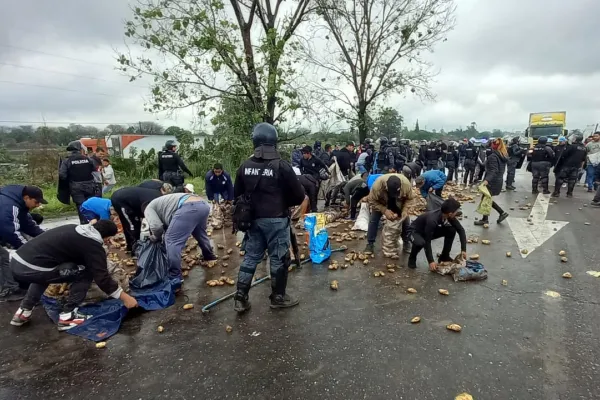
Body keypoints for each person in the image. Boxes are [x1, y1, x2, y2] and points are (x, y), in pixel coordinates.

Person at [9, 220, 138, 329]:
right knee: (85, 273)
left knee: (43, 276)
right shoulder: (93, 245)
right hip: (32, 267)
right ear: (107, 237)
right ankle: (67, 316)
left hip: (18, 263)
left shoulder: (75, 229)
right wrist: (125, 298)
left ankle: (23, 312)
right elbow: (102, 278)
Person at [233, 123, 305, 312]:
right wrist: (281, 200)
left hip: (252, 220)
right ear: (274, 141)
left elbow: (237, 194)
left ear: (255, 141)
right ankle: (278, 297)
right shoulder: (282, 166)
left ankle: (240, 298)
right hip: (276, 219)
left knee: (251, 257)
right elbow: (299, 196)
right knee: (278, 258)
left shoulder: (244, 166)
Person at [144, 193, 216, 282]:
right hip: (203, 205)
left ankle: (175, 276)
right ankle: (209, 256)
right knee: (200, 233)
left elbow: (157, 227)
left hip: (189, 207)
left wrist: (155, 237)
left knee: (171, 240)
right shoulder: (161, 204)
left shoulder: (148, 209)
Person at [0, 185, 46, 302]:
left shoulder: (19, 205)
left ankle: (9, 286)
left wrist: (48, 238)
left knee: (3, 256)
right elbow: (10, 231)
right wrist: (28, 249)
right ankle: (8, 290)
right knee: (2, 257)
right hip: (5, 229)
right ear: (26, 198)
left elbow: (28, 225)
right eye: (36, 202)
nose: (38, 205)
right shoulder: (9, 205)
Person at [407, 198, 467, 270]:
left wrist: (463, 249)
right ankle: (412, 258)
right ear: (450, 213)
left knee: (451, 230)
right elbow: (427, 241)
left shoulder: (448, 215)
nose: (457, 213)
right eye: (456, 212)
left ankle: (444, 256)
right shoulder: (432, 220)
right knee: (421, 242)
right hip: (414, 231)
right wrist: (431, 261)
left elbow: (461, 230)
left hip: (427, 230)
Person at [111, 184, 172, 252]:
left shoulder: (159, 196)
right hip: (121, 199)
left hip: (132, 201)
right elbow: (147, 210)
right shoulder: (156, 199)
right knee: (132, 225)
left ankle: (133, 246)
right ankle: (135, 249)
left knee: (135, 224)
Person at [364, 174, 415, 254]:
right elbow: (372, 200)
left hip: (398, 202)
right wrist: (384, 210)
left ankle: (406, 242)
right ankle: (370, 244)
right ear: (386, 187)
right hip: (381, 202)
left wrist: (405, 210)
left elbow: (410, 199)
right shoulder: (377, 186)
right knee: (373, 220)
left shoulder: (406, 184)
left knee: (405, 221)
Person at [59, 140, 97, 224]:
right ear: (79, 148)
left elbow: (62, 175)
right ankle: (94, 223)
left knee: (81, 205)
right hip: (90, 185)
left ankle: (84, 224)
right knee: (91, 204)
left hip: (76, 187)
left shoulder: (67, 160)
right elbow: (95, 169)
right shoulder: (88, 158)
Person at [475, 138, 510, 226]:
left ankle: (499, 214)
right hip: (498, 180)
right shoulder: (503, 154)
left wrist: (486, 181)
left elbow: (493, 170)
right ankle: (489, 217)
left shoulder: (493, 156)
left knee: (486, 199)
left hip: (492, 181)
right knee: (486, 198)